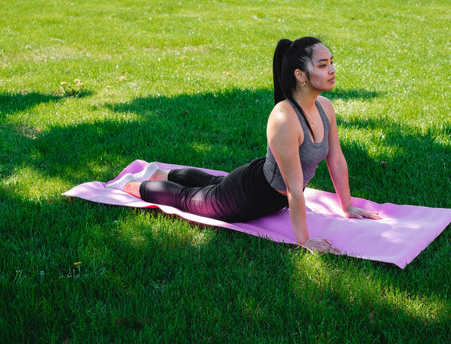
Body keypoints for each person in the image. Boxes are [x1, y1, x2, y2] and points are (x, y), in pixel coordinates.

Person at [106, 37, 381, 254]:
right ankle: (132, 185)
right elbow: (295, 189)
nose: (332, 70)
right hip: (247, 198)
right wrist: (304, 240)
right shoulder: (285, 119)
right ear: (300, 75)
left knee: (211, 182)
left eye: (331, 62)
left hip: (261, 183)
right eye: (322, 65)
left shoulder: (324, 107)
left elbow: (336, 161)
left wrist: (347, 206)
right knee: (188, 199)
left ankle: (161, 171)